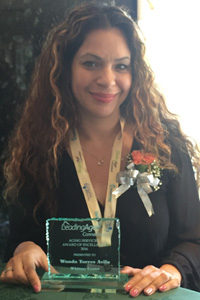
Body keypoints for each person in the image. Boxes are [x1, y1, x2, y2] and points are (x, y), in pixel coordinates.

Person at [1, 2, 200, 297]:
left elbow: (193, 241)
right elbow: (21, 236)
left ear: (135, 73)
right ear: (64, 68)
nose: (107, 80)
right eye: (91, 63)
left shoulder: (164, 144)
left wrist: (170, 271)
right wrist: (25, 250)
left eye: (121, 66)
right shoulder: (39, 147)